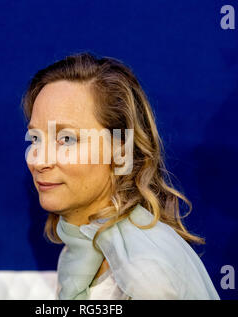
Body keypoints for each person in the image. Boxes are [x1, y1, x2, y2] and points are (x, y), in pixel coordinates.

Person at [21, 52, 220, 300]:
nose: (38, 160)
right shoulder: (81, 252)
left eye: (67, 139)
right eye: (36, 138)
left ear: (120, 150)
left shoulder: (146, 275)